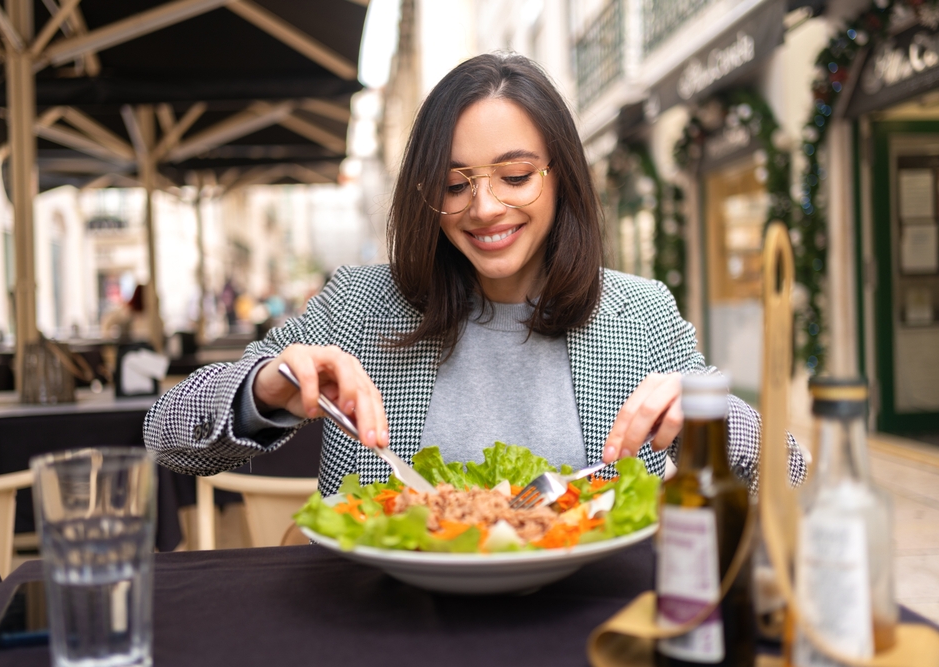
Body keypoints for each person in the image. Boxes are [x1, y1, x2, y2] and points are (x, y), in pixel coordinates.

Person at [144, 53, 806, 494]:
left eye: (515, 175)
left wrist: (717, 423)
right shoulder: (356, 306)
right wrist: (264, 388)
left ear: (560, 177)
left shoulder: (643, 313)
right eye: (455, 183)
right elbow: (166, 436)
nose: (484, 207)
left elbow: (795, 474)